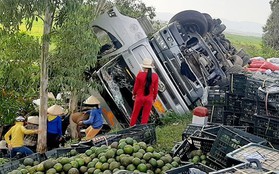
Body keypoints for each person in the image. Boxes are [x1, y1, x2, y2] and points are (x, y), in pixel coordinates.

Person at [130, 58, 159, 126]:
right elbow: (156, 89)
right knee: (145, 115)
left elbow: (136, 87)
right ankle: (143, 130)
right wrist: (154, 98)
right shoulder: (155, 76)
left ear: (143, 67)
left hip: (139, 97)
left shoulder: (140, 74)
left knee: (135, 114)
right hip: (149, 98)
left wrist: (134, 94)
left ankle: (131, 129)